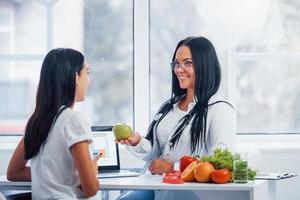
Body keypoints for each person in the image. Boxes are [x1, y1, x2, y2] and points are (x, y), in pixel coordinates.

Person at [117, 36, 237, 200]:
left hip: (191, 193)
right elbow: (156, 153)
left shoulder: (219, 109)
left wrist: (173, 167)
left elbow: (221, 165)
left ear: (204, 66)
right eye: (176, 63)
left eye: (187, 63)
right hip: (157, 187)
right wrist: (137, 141)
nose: (179, 69)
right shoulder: (169, 106)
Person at [6, 48, 102, 199]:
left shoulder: (38, 121)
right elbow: (91, 189)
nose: (89, 80)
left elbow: (14, 172)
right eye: (87, 73)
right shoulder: (73, 120)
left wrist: (54, 177)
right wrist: (92, 171)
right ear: (76, 78)